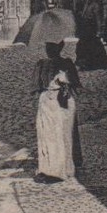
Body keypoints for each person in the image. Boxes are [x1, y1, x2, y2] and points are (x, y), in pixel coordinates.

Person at [33, 39, 82, 183]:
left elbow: (36, 86)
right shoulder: (67, 64)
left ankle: (52, 170)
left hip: (50, 101)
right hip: (64, 101)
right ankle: (64, 168)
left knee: (50, 135)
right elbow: (76, 83)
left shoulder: (42, 65)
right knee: (64, 134)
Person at [75, 0, 107, 71]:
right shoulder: (86, 5)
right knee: (82, 46)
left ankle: (91, 64)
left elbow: (98, 19)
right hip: (85, 28)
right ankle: (84, 64)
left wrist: (99, 30)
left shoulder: (95, 5)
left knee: (90, 46)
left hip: (91, 28)